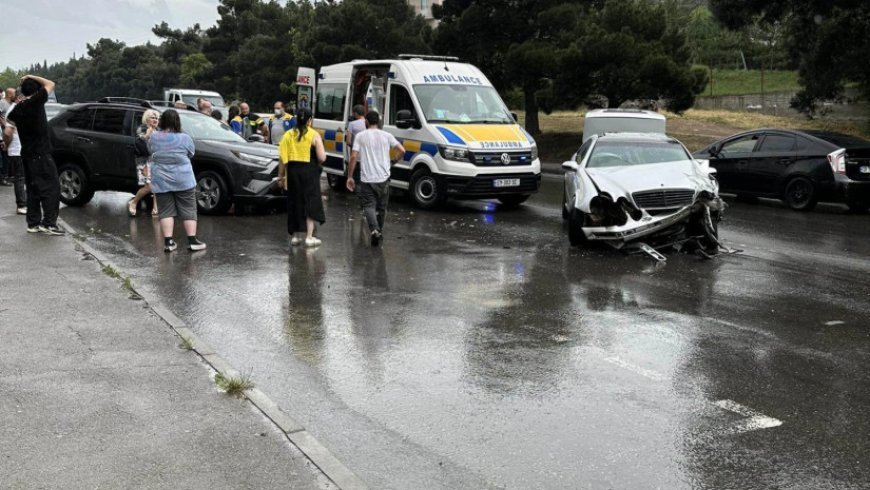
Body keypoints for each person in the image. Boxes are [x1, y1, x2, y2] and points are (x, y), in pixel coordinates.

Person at [7, 75, 63, 235]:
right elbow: (51, 83)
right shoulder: (37, 101)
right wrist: (30, 76)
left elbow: (8, 129)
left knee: (33, 189)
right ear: (36, 90)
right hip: (41, 153)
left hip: (26, 153)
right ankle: (49, 223)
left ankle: (33, 223)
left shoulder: (17, 110)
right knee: (51, 187)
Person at [147, 109, 206, 252]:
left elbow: (151, 151)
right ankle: (192, 241)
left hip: (160, 179)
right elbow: (191, 153)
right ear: (177, 121)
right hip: (183, 179)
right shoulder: (185, 138)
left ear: (162, 121)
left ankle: (168, 242)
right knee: (188, 209)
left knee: (166, 210)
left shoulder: (154, 137)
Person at [346, 111, 405, 246]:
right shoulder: (387, 135)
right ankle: (379, 230)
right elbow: (402, 150)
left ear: (366, 122)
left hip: (367, 178)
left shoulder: (361, 136)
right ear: (378, 122)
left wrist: (350, 176)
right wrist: (392, 162)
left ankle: (374, 230)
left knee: (369, 205)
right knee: (382, 207)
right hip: (384, 177)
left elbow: (354, 156)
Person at [277, 108, 326, 248]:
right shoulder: (314, 135)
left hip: (292, 172)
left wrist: (280, 176)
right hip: (309, 172)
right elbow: (322, 157)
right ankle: (309, 237)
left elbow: (282, 159)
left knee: (295, 201)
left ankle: (295, 236)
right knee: (309, 201)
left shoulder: (288, 135)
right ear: (310, 120)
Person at [128, 109, 159, 217]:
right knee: (149, 186)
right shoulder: (142, 129)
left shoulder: (158, 131)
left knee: (157, 184)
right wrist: (147, 135)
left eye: (156, 118)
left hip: (155, 162)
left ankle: (155, 208)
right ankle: (134, 202)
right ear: (147, 119)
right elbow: (140, 145)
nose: (155, 119)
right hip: (144, 162)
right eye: (152, 117)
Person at [1, 108, 27, 214]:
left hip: (19, 150)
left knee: (22, 178)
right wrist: (6, 145)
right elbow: (7, 133)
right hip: (17, 150)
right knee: (20, 178)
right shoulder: (15, 110)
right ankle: (21, 205)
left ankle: (24, 203)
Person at [345, 104, 367, 182]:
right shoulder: (369, 124)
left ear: (356, 113)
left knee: (357, 182)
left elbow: (348, 141)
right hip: (368, 159)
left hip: (357, 159)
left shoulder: (352, 124)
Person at [0, 88, 14, 186]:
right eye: (14, 94)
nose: (15, 95)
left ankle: (8, 175)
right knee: (4, 156)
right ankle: (3, 177)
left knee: (7, 156)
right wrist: (5, 125)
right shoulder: (2, 102)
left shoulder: (11, 104)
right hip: (3, 133)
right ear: (9, 94)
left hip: (7, 132)